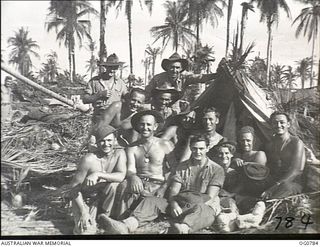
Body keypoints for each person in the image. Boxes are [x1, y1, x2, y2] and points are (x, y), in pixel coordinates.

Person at [99, 135, 224, 234]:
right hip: (181, 204)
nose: (198, 152)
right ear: (190, 148)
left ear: (207, 148)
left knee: (202, 210)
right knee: (151, 201)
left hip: (202, 206)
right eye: (194, 148)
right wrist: (174, 204)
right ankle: (127, 225)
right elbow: (174, 191)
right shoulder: (182, 167)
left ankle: (183, 228)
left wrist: (187, 204)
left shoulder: (216, 169)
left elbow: (209, 197)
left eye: (201, 148)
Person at [109, 110, 174, 219]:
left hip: (157, 185)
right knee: (124, 185)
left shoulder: (165, 144)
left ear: (155, 126)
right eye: (142, 124)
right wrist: (133, 177)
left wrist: (163, 188)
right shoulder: (132, 148)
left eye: (149, 124)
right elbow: (130, 168)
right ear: (138, 126)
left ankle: (131, 220)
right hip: (139, 183)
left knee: (151, 202)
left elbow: (174, 170)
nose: (145, 127)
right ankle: (120, 219)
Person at [67, 124, 126, 234]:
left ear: (115, 140)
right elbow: (74, 189)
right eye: (102, 141)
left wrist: (98, 174)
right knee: (86, 233)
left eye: (109, 140)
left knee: (116, 185)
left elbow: (121, 175)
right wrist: (83, 211)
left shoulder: (119, 154)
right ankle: (89, 221)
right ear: (97, 143)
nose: (106, 144)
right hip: (85, 200)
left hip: (103, 200)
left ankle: (104, 218)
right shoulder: (88, 159)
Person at [261, 111, 306, 200]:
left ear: (288, 124)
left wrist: (274, 188)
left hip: (292, 182)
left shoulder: (296, 142)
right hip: (274, 181)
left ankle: (266, 204)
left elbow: (296, 171)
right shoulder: (269, 144)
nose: (278, 125)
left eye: (282, 122)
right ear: (271, 125)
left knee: (286, 187)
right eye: (275, 123)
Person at [145, 53, 217, 106]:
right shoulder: (158, 78)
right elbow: (147, 92)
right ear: (167, 67)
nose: (174, 70)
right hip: (158, 104)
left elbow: (199, 77)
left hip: (175, 105)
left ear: (181, 68)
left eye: (177, 67)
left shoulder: (185, 76)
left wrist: (215, 75)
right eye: (172, 67)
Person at [82, 53, 128, 125]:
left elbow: (127, 98)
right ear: (106, 67)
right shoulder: (94, 81)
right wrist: (99, 95)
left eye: (115, 68)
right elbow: (85, 99)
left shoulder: (121, 83)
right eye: (110, 67)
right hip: (99, 117)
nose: (112, 70)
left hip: (115, 118)